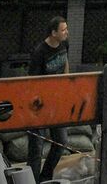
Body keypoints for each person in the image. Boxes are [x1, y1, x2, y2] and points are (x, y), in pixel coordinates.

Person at [26, 15, 71, 182]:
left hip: (57, 101)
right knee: (37, 147)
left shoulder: (64, 44)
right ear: (53, 33)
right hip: (39, 104)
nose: (67, 32)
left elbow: (65, 61)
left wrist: (67, 83)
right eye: (63, 29)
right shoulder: (40, 52)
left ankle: (46, 176)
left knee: (61, 141)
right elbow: (33, 83)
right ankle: (33, 180)